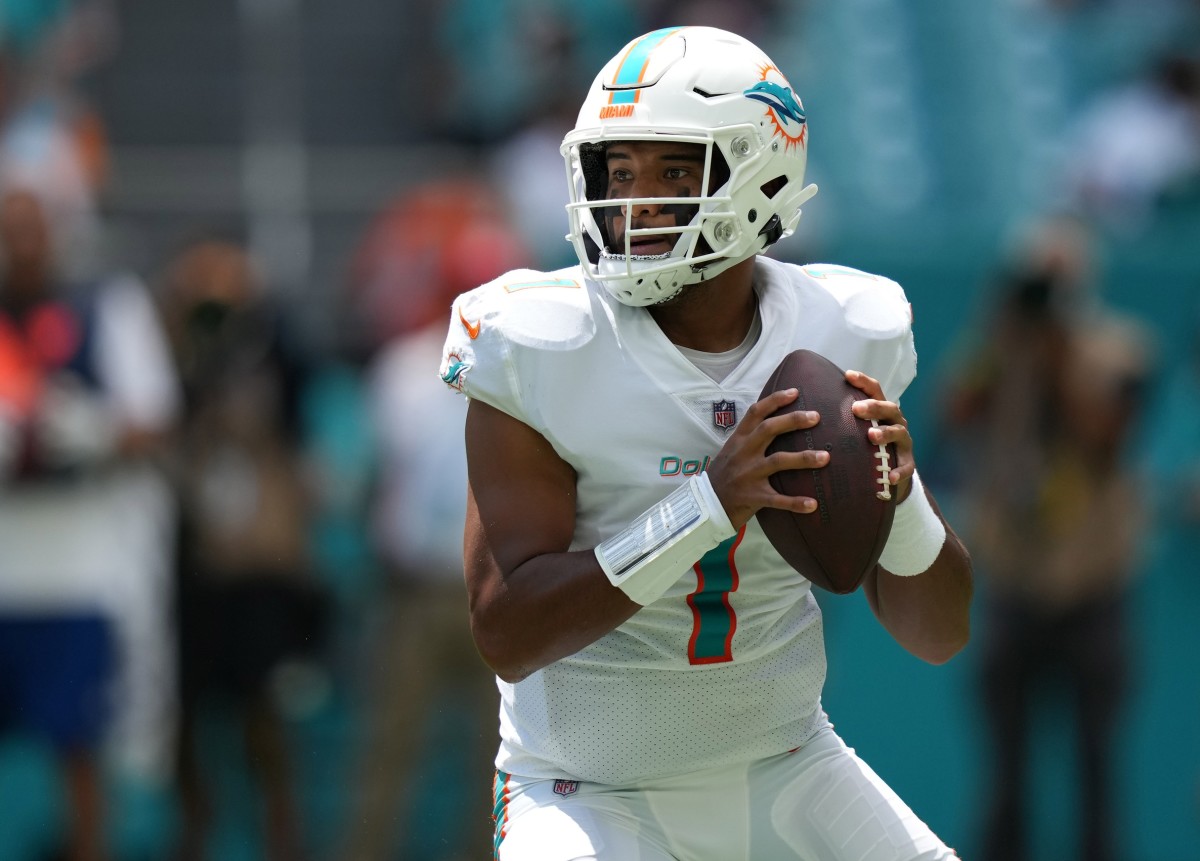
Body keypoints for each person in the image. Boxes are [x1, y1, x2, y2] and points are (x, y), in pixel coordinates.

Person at [439, 26, 973, 861]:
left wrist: (900, 502)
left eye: (674, 170)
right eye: (618, 170)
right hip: (586, 789)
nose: (635, 198)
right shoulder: (539, 341)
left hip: (787, 764)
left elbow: (940, 633)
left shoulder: (844, 332)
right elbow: (506, 631)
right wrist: (708, 504)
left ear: (761, 172)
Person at [938, 216, 1154, 861]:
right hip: (1014, 587)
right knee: (1004, 769)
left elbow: (1109, 439)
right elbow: (953, 414)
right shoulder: (997, 351)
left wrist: (1059, 354)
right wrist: (1003, 343)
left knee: (1097, 767)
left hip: (1094, 589)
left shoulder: (1121, 348)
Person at [0, 186, 180, 861]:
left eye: (30, 227)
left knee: (77, 746)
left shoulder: (105, 303)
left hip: (74, 563)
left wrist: (94, 430)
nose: (19, 243)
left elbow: (156, 421)